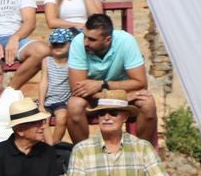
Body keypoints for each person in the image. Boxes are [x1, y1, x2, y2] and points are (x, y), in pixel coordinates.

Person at [66, 13, 157, 144]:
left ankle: (142, 155)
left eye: (91, 39)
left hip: (113, 94)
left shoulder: (127, 41)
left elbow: (141, 83)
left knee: (148, 104)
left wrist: (102, 85)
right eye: (85, 36)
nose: (85, 42)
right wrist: (116, 95)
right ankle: (83, 156)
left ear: (107, 40)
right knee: (74, 105)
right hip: (95, 98)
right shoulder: (78, 43)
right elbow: (78, 88)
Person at [39, 27, 74, 144]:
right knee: (43, 118)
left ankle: (54, 144)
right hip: (48, 99)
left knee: (62, 117)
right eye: (54, 44)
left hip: (63, 101)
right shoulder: (47, 60)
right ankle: (49, 146)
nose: (58, 47)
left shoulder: (73, 61)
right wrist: (41, 104)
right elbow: (44, 82)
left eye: (61, 44)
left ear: (70, 44)